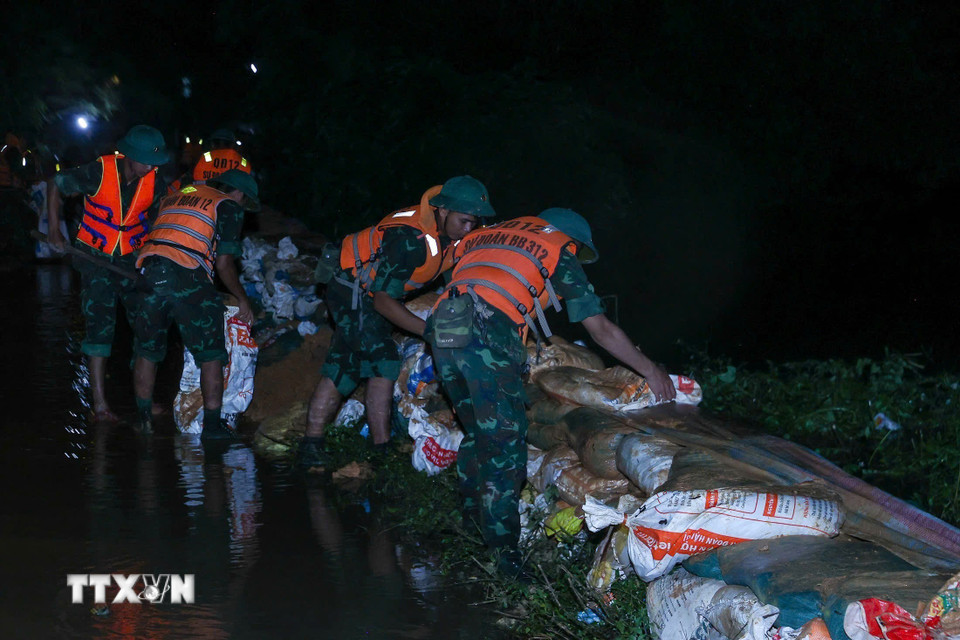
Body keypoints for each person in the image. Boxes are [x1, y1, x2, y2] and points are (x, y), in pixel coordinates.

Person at [424, 207, 677, 575]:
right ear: (571, 240)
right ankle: (505, 560)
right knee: (506, 446)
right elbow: (600, 329)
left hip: (444, 328)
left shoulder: (491, 234)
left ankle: (471, 522)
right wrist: (652, 371)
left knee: (478, 429)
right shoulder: (557, 248)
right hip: (486, 333)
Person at [296, 176, 496, 467]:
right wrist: (429, 331)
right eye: (464, 221)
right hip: (351, 288)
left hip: (370, 290)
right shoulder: (409, 239)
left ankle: (311, 444)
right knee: (383, 361)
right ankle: (381, 451)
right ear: (442, 211)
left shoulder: (451, 234)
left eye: (474, 223)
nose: (469, 229)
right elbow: (382, 301)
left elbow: (452, 276)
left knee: (347, 363)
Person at [46, 125, 170, 423]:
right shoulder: (99, 171)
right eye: (148, 161)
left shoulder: (154, 179)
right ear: (130, 156)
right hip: (94, 257)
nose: (153, 167)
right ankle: (100, 405)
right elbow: (56, 183)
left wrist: (154, 252)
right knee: (100, 329)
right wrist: (54, 230)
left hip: (131, 261)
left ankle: (144, 399)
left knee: (146, 322)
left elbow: (159, 217)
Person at [131, 169, 257, 438]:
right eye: (245, 201)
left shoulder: (177, 196)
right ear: (239, 194)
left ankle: (143, 420)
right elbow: (224, 264)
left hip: (150, 270)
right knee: (211, 352)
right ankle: (212, 428)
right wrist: (242, 298)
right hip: (187, 273)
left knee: (147, 350)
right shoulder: (228, 206)